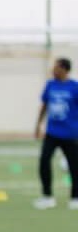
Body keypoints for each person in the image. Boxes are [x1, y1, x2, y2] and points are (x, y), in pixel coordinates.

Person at [34, 57, 78, 209]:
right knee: (44, 161)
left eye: (56, 67)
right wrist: (38, 125)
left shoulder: (75, 87)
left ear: (65, 69)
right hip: (52, 132)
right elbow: (44, 105)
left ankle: (75, 198)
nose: (53, 70)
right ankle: (47, 196)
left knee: (74, 166)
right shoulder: (50, 85)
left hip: (71, 133)